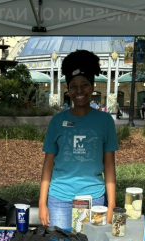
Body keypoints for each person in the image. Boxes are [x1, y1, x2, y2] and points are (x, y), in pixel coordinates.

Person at [39, 49, 119, 230]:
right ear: (68, 90)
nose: (79, 91)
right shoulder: (57, 122)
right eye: (73, 86)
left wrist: (112, 204)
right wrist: (42, 203)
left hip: (94, 198)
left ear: (92, 87)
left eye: (84, 85)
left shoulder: (105, 121)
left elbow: (109, 165)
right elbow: (48, 164)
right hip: (59, 199)